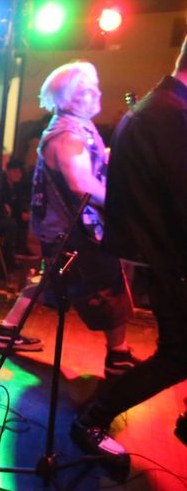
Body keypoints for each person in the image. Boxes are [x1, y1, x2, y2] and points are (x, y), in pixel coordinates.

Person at [70, 37, 187, 459]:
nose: (96, 96)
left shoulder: (160, 109)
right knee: (177, 356)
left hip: (164, 254)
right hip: (172, 257)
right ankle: (92, 418)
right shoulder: (168, 116)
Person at [0, 61, 138, 378]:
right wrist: (123, 204)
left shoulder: (76, 126)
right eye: (86, 89)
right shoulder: (67, 136)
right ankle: (118, 354)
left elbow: (88, 163)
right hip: (73, 232)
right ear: (68, 96)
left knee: (50, 282)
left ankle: (6, 331)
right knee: (108, 287)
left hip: (63, 230)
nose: (96, 93)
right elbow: (81, 183)